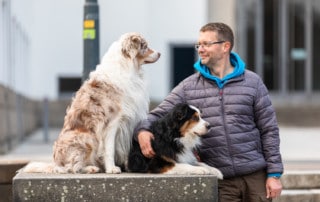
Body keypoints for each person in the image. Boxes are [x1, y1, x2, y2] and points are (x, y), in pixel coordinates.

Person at [134, 22, 283, 201]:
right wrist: (142, 131)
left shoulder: (253, 83)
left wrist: (274, 174)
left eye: (206, 44)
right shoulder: (189, 86)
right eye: (199, 44)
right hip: (220, 179)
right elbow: (157, 115)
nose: (200, 49)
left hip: (255, 177)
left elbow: (269, 130)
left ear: (225, 46)